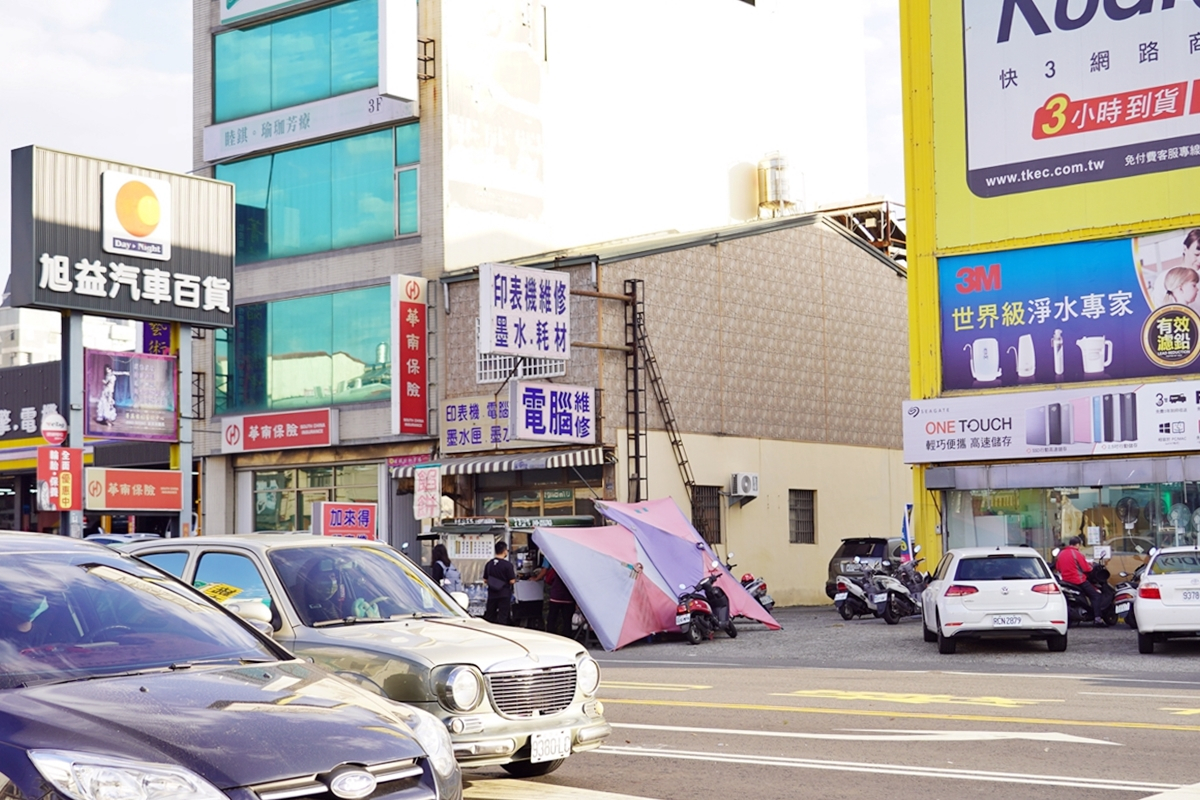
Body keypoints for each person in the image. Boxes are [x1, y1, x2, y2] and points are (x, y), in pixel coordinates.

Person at [1054, 536, 1107, 626]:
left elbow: (1058, 568)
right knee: (1095, 595)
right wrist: (1091, 566)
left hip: (1065, 581)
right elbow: (1086, 568)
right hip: (1078, 580)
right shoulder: (1077, 554)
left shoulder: (1061, 554)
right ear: (1078, 544)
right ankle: (1097, 618)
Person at [301, 557, 348, 623]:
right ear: (311, 582)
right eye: (324, 577)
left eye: (332, 576)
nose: (331, 582)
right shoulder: (298, 604)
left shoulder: (338, 603)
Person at [482, 540, 517, 625]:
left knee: (490, 615)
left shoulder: (489, 564)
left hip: (492, 594)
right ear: (505, 551)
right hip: (504, 594)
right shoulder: (508, 565)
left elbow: (485, 580)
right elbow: (511, 581)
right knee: (503, 616)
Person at [541, 561, 576, 639]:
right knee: (567, 620)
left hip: (556, 597)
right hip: (569, 598)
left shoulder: (555, 569)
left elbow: (548, 580)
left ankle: (550, 636)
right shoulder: (573, 571)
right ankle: (568, 637)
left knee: (552, 618)